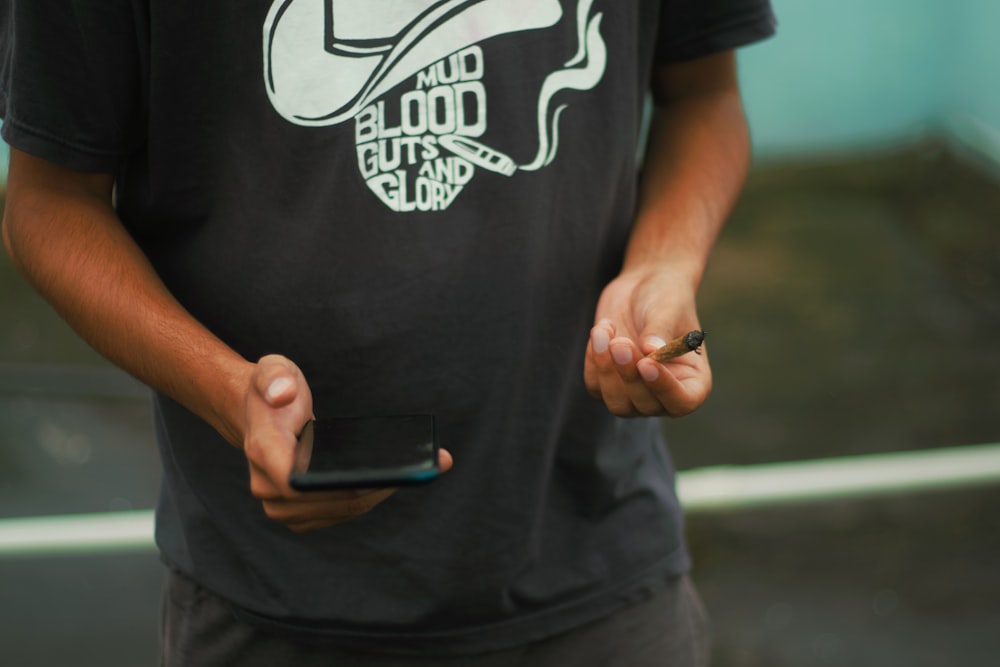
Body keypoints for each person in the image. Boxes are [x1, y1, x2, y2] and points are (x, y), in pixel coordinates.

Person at [1, 1, 775, 665]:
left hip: (609, 581)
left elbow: (703, 94)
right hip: (271, 606)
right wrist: (230, 393)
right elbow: (49, 201)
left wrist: (664, 264)